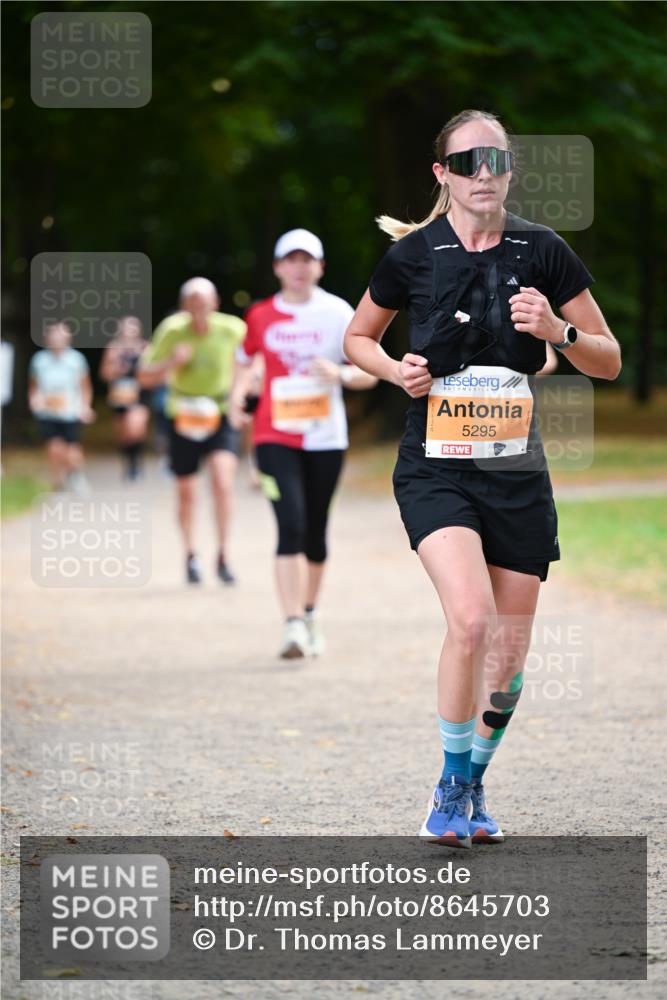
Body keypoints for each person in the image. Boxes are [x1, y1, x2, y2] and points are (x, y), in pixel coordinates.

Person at [344, 110, 621, 846]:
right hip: (435, 467)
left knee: (508, 651)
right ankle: (446, 784)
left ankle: (473, 781)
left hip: (515, 473)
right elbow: (357, 337)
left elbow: (607, 357)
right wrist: (391, 370)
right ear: (442, 174)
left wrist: (556, 332)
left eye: (494, 159)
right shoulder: (412, 254)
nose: (483, 173)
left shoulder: (543, 250)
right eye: (466, 161)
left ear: (507, 168)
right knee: (469, 622)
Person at [229, 229, 377, 659]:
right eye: (290, 259)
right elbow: (243, 366)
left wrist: (341, 375)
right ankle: (292, 624)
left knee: (315, 529)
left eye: (306, 259)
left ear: (320, 267)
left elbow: (370, 371)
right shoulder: (258, 316)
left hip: (326, 437)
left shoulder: (337, 313)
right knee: (289, 523)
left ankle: (309, 612)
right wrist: (237, 397)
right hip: (274, 435)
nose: (298, 267)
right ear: (277, 267)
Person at [138, 278, 246, 585]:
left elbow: (254, 362)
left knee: (223, 482)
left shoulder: (232, 329)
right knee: (187, 492)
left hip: (219, 412)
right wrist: (172, 361)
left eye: (204, 301)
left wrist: (244, 389)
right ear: (184, 306)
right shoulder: (172, 330)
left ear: (215, 303)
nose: (199, 307)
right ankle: (190, 553)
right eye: (193, 302)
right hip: (183, 414)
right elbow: (144, 376)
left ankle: (223, 552)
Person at [28, 321, 95, 494]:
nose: (57, 339)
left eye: (61, 336)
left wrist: (85, 407)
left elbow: (85, 387)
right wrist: (35, 400)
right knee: (54, 449)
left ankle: (76, 474)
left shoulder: (76, 360)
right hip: (48, 413)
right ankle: (59, 483)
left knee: (72, 452)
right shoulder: (39, 360)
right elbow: (34, 387)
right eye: (54, 336)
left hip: (70, 411)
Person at [100, 316, 151, 480]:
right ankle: (128, 464)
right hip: (119, 396)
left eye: (134, 328)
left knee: (135, 429)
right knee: (124, 434)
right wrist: (117, 369)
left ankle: (136, 464)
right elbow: (104, 374)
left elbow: (152, 372)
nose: (130, 331)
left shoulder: (146, 348)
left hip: (139, 395)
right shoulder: (113, 349)